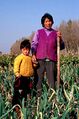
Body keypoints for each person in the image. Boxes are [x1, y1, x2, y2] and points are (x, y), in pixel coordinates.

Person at [31, 13, 65, 96]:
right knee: (38, 80)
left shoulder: (56, 33)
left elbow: (62, 46)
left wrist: (60, 38)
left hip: (51, 60)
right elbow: (34, 44)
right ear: (43, 23)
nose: (48, 23)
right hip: (40, 59)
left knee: (52, 81)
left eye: (49, 21)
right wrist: (33, 54)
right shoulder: (38, 32)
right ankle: (38, 99)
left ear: (52, 22)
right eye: (46, 21)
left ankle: (52, 99)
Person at [12, 39, 38, 109]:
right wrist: (17, 73)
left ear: (29, 50)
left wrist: (35, 63)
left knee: (26, 92)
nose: (26, 51)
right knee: (18, 91)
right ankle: (16, 105)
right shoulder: (19, 57)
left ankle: (24, 105)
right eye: (24, 49)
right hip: (21, 77)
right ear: (21, 50)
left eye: (27, 49)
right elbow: (16, 65)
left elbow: (33, 66)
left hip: (28, 78)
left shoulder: (30, 57)